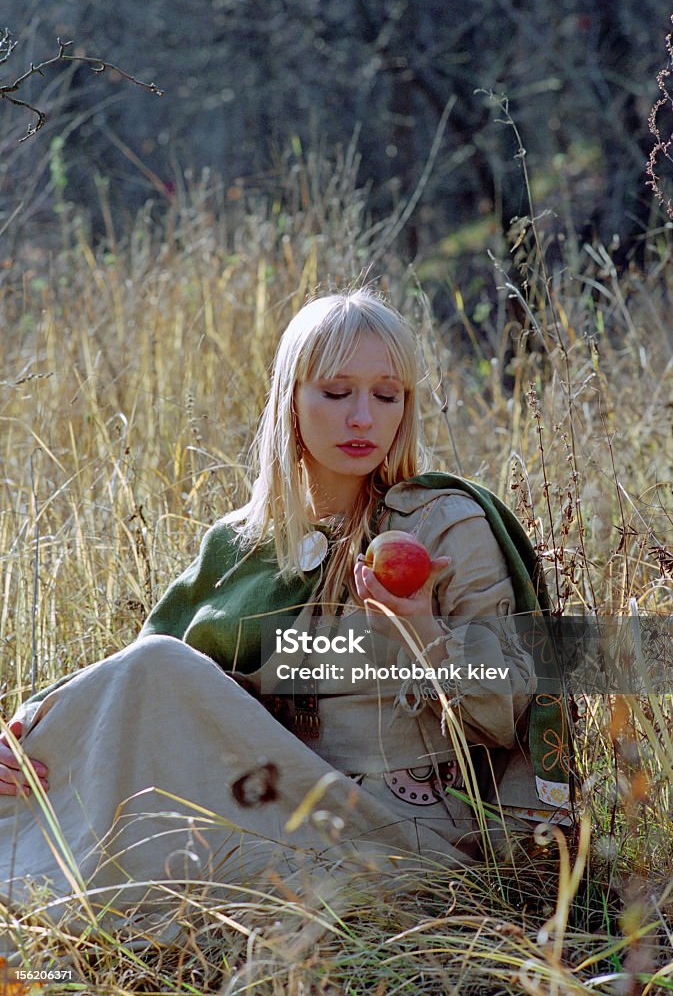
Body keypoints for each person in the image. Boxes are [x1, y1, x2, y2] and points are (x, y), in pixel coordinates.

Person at [0, 289, 570, 942]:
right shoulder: (239, 543)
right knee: (146, 682)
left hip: (394, 835)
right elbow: (138, 694)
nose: (363, 417)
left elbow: (501, 716)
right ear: (289, 398)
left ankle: (66, 910)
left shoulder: (443, 525)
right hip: (254, 798)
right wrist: (30, 729)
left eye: (387, 395)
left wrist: (422, 630)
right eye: (335, 392)